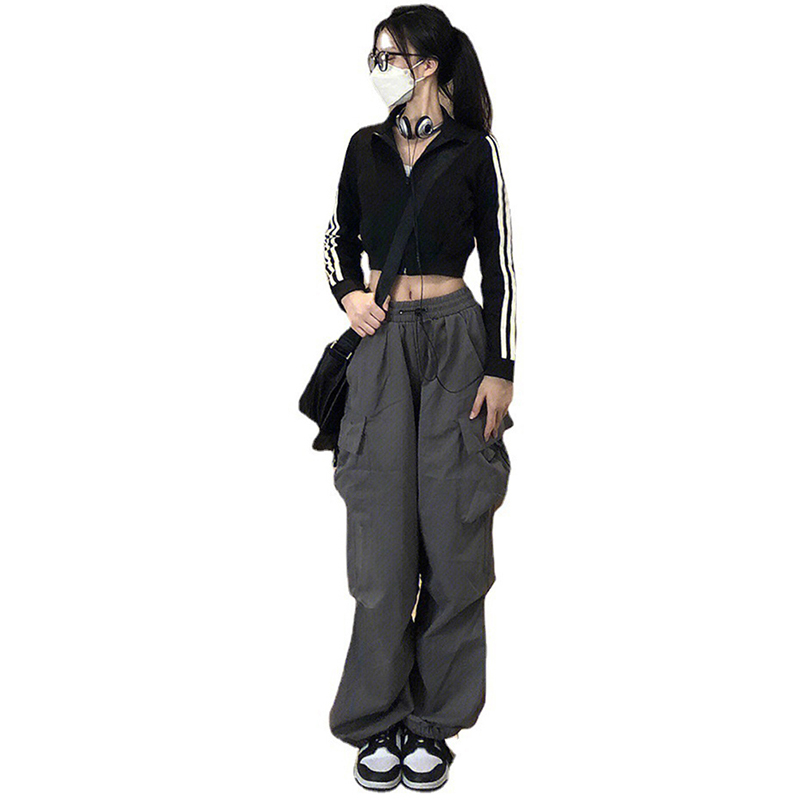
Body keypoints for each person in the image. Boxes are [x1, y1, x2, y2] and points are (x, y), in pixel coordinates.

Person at [322, 6, 517, 791]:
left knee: (456, 538)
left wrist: (501, 367)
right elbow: (336, 236)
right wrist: (348, 292)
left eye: (390, 56)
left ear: (427, 63)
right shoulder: (363, 146)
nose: (380, 69)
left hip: (457, 344)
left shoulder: (474, 150)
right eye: (377, 58)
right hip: (381, 342)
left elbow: (501, 264)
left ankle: (435, 722)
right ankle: (374, 718)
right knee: (380, 546)